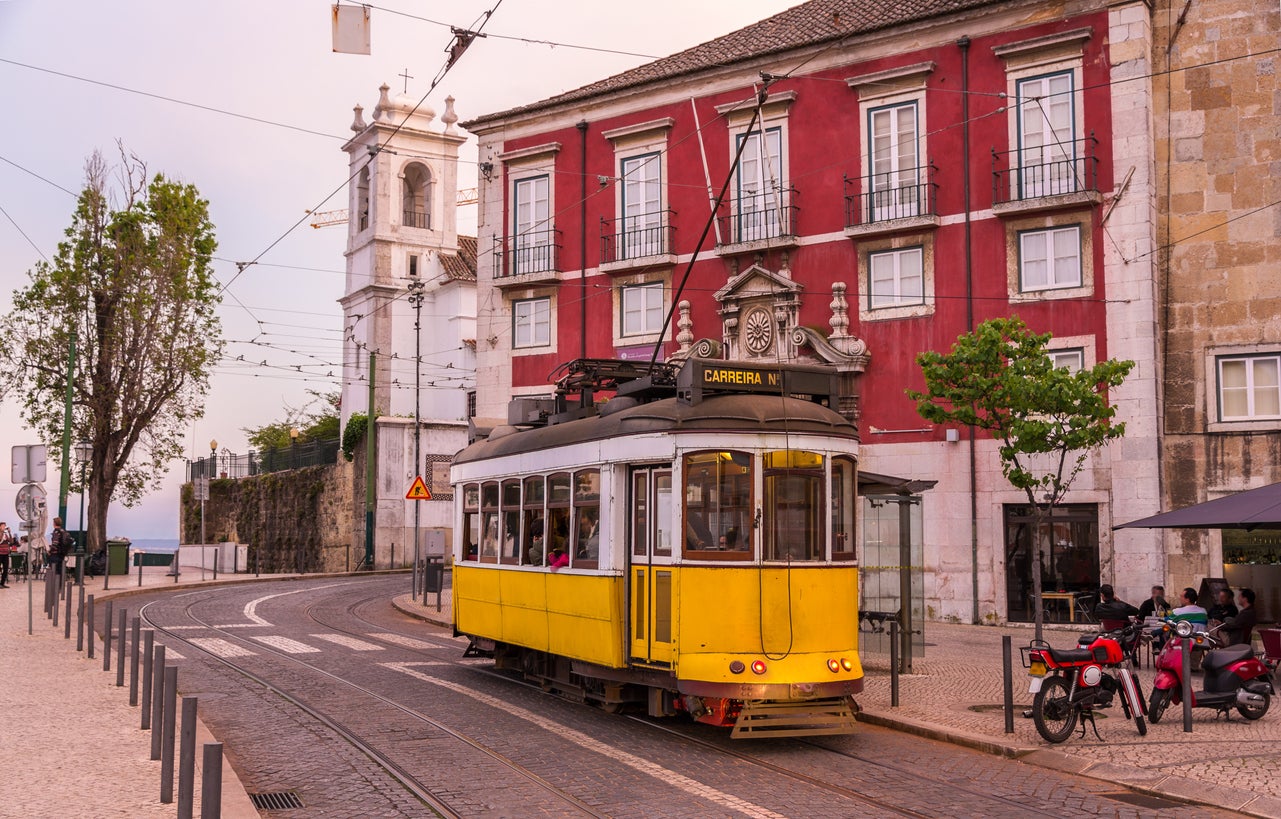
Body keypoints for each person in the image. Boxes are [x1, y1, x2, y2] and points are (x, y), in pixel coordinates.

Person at [0, 522, 13, 587]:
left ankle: (2, 583)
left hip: (6, 554)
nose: (4, 527)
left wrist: (9, 533)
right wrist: (2, 533)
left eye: (4, 526)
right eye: (2, 526)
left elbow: (11, 541)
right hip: (0, 554)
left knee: (6, 569)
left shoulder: (5, 535)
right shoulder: (2, 534)